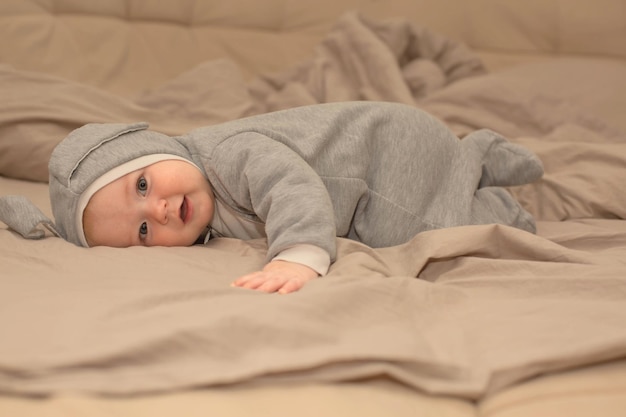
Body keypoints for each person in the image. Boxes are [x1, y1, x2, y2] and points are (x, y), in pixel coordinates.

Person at [0, 102, 543, 294]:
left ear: (153, 145)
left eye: (142, 185)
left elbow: (293, 187)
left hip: (387, 152)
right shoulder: (196, 195)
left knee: (418, 228)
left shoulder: (229, 154)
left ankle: (482, 180)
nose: (160, 210)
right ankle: (470, 158)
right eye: (143, 230)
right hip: (386, 151)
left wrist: (299, 254)